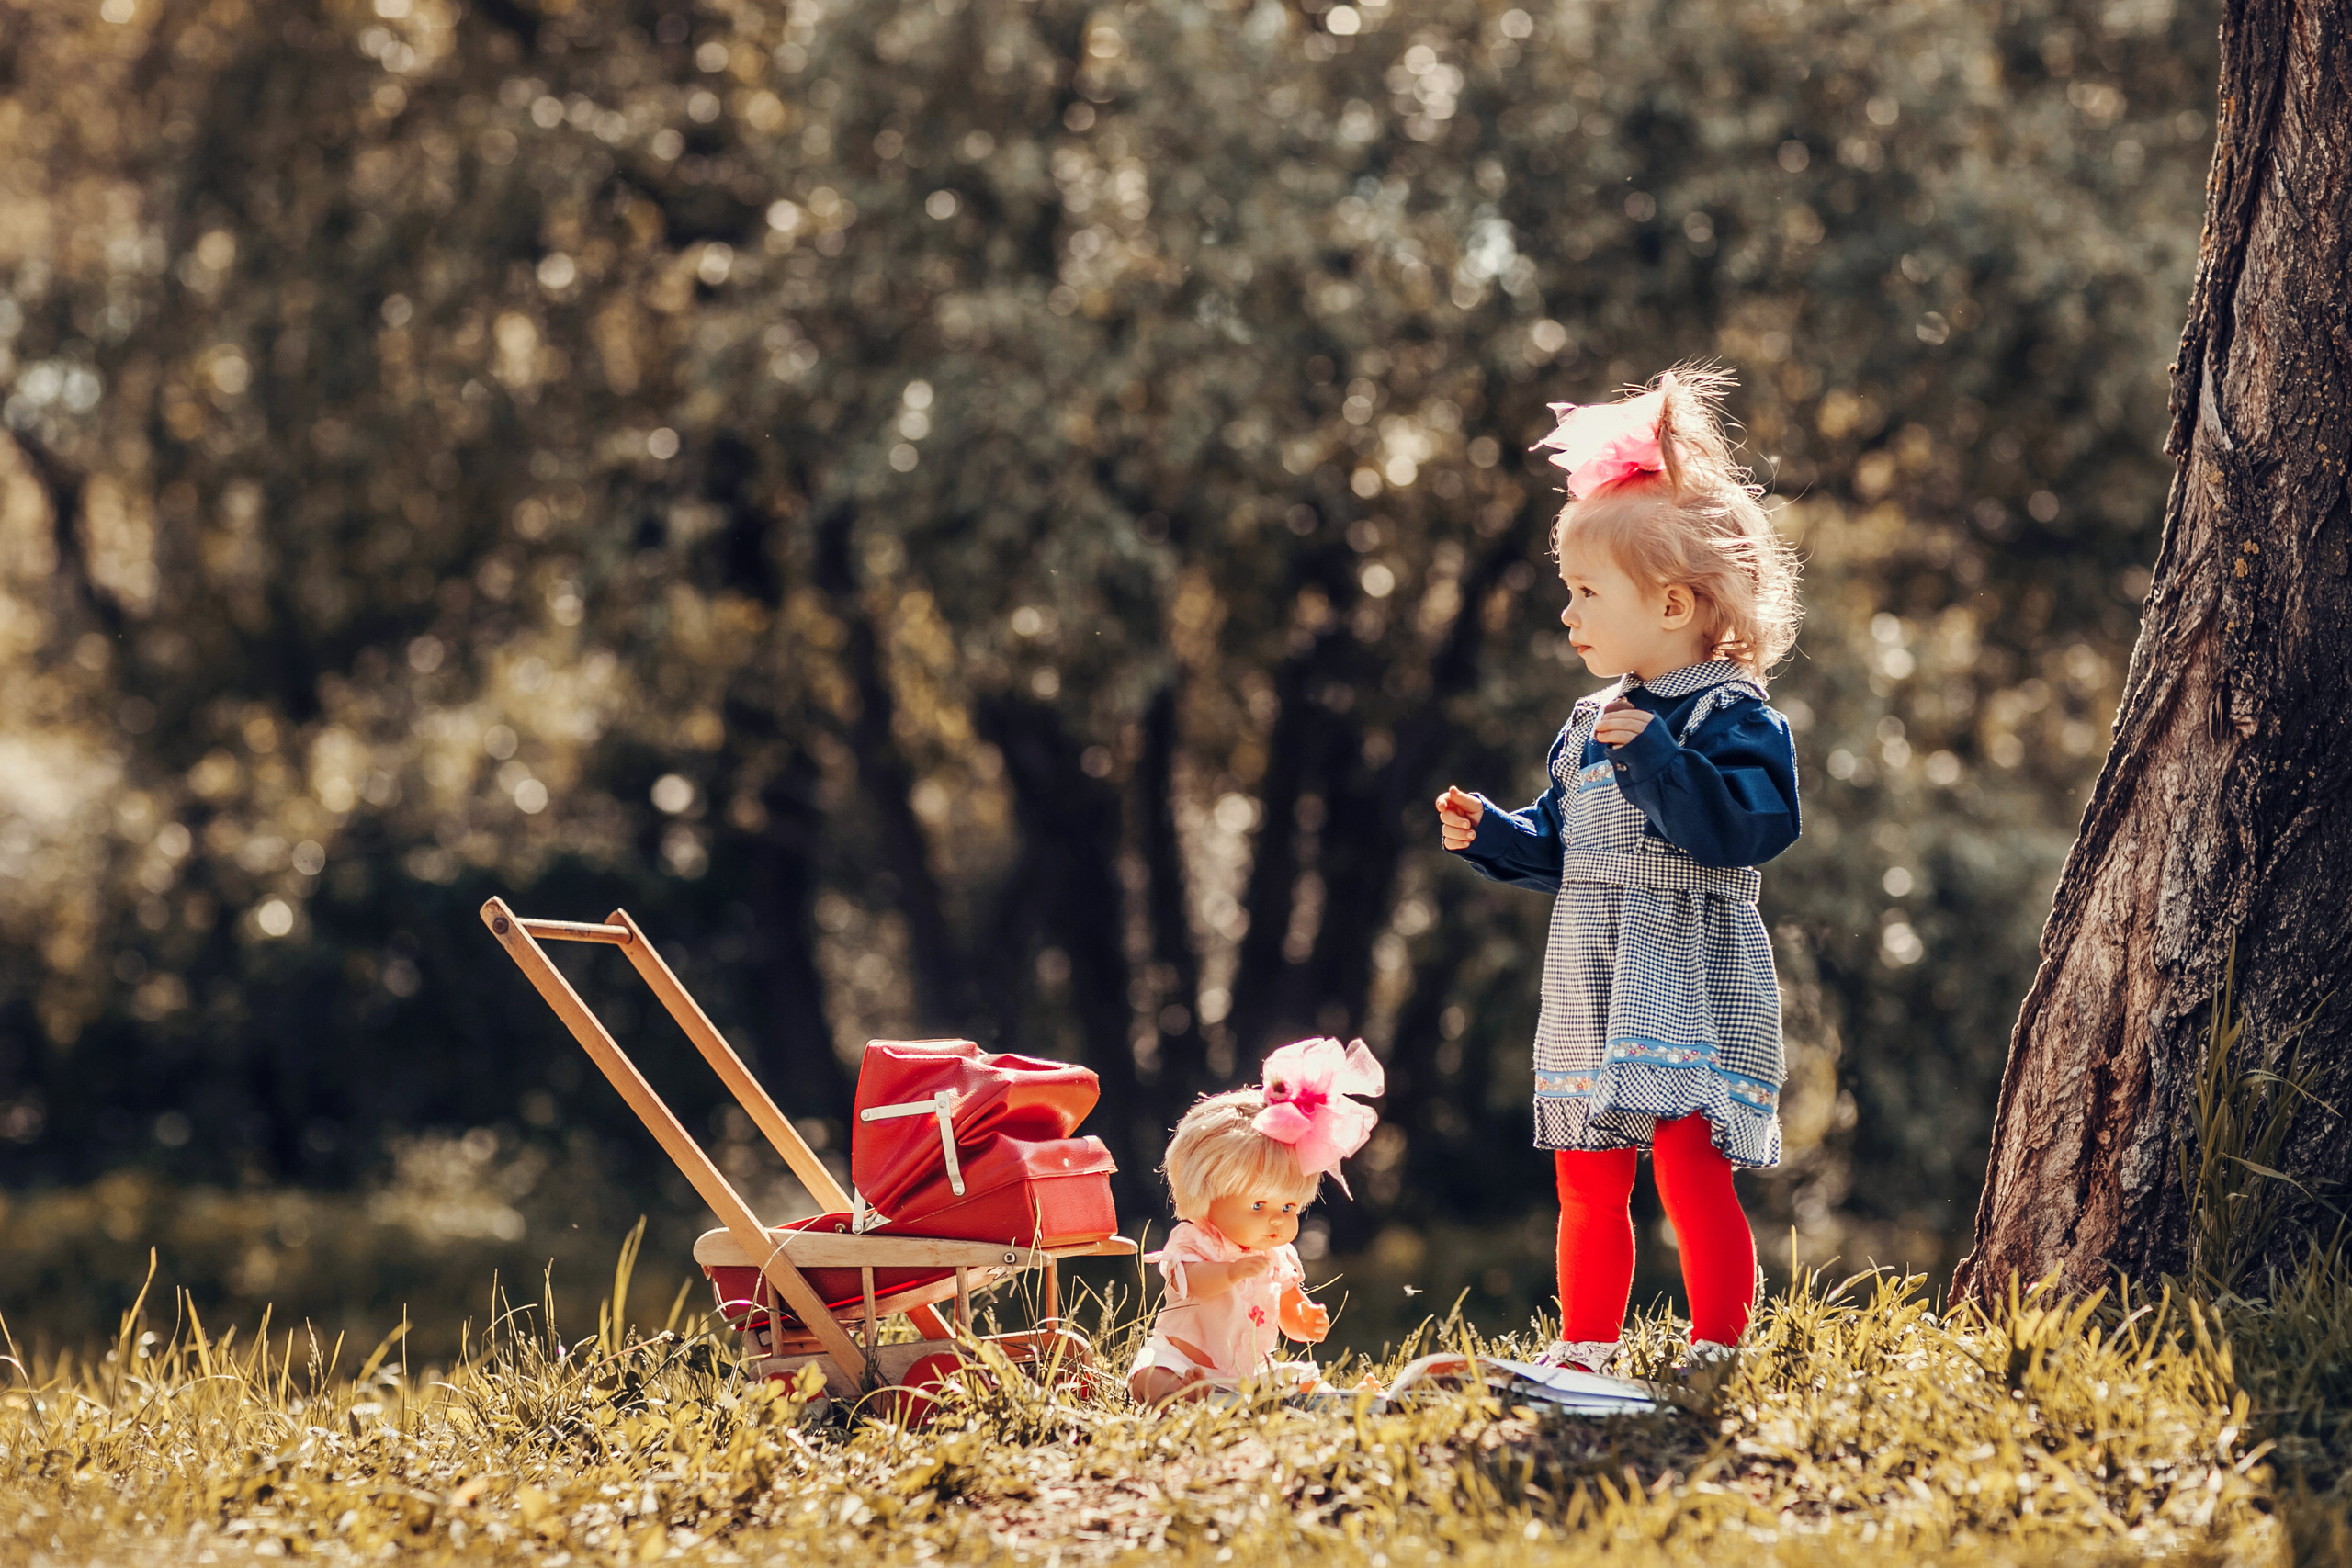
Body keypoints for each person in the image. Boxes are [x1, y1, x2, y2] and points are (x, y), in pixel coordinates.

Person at [1434, 365, 1803, 1378]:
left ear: (1675, 602)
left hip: (1681, 968)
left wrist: (1656, 756)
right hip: (1592, 971)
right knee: (1585, 1175)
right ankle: (1584, 1343)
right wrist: (1498, 836)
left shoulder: (1731, 716)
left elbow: (1743, 832)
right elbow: (1567, 845)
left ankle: (1717, 1341)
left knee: (1688, 1166)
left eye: (1588, 593)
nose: (1569, 614)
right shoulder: (1590, 726)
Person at [1127, 1037, 1384, 1403]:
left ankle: (1342, 1400)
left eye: (1289, 1208)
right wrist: (1230, 1272)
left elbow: (1288, 1308)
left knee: (1297, 1382)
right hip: (1184, 1358)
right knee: (1150, 1374)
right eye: (1259, 1205)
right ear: (1207, 1193)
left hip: (1247, 1372)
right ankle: (1177, 1395)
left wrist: (1304, 1319)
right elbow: (1193, 1282)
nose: (1277, 1222)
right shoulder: (1195, 1240)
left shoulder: (1278, 1256)